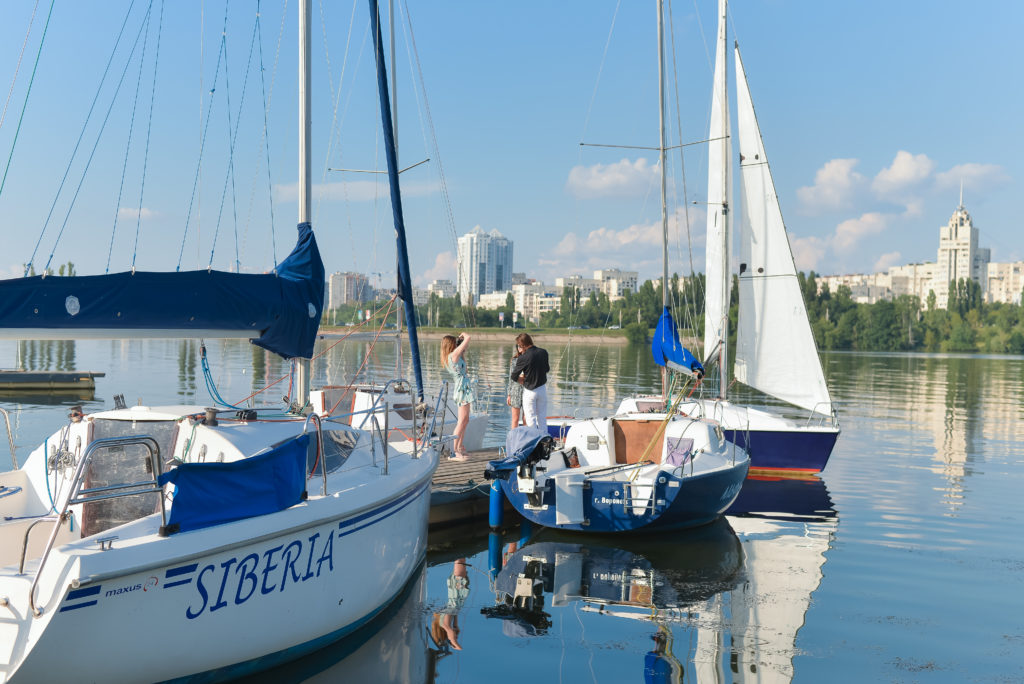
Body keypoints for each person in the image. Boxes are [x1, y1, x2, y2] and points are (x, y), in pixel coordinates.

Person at [440, 333, 474, 460]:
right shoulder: (453, 356)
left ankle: (459, 447)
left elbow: (465, 369)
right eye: (455, 342)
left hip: (464, 388)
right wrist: (464, 336)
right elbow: (468, 338)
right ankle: (454, 451)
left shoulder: (455, 356)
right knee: (461, 421)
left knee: (465, 420)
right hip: (462, 390)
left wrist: (461, 347)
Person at [510, 333, 549, 431]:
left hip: (529, 390)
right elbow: (547, 369)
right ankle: (544, 441)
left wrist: (521, 380)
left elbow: (514, 375)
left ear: (522, 345)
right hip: (542, 389)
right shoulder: (544, 352)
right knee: (542, 418)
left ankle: (533, 441)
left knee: (530, 419)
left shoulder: (523, 357)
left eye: (519, 345)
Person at [506, 345, 526, 430]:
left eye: (521, 346)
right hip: (515, 391)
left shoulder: (530, 359)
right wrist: (509, 394)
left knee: (526, 419)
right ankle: (513, 440)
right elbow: (511, 378)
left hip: (527, 390)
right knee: (515, 419)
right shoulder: (514, 360)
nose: (519, 348)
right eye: (518, 346)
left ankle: (526, 439)